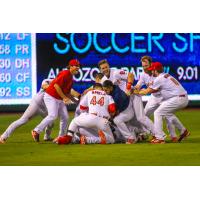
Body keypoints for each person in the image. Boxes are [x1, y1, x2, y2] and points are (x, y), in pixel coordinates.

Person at [138, 62, 190, 144]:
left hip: (177, 98)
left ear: (155, 71)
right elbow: (153, 90)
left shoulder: (159, 78)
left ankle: (159, 138)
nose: (151, 72)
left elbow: (146, 92)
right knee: (167, 114)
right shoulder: (166, 75)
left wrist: (134, 91)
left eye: (152, 70)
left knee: (158, 113)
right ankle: (183, 131)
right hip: (182, 97)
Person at [32, 59, 81, 142]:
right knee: (52, 115)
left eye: (78, 66)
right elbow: (56, 86)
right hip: (50, 96)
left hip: (58, 98)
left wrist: (76, 101)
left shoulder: (71, 78)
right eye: (76, 66)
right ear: (71, 66)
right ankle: (36, 131)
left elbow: (68, 93)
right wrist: (64, 98)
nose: (78, 68)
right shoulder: (65, 73)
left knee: (65, 117)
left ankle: (61, 137)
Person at [134, 56, 178, 141]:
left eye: (146, 65)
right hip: (154, 98)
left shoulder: (157, 73)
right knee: (144, 115)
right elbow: (139, 84)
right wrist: (135, 88)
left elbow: (155, 88)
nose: (144, 68)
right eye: (143, 66)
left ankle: (173, 136)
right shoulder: (143, 74)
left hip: (164, 97)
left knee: (167, 115)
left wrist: (142, 91)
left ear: (151, 64)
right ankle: (154, 133)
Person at [0, 79, 53, 144]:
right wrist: (54, 86)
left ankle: (47, 137)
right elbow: (44, 86)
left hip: (44, 107)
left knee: (51, 122)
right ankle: (3, 137)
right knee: (22, 120)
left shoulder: (60, 87)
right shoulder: (49, 80)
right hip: (36, 104)